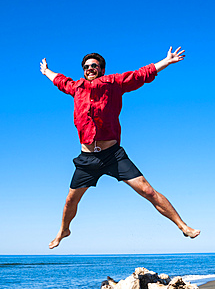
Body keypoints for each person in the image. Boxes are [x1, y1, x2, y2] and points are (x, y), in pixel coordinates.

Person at [40, 47, 200, 249]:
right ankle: (64, 230)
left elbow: (141, 75)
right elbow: (59, 80)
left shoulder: (114, 83)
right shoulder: (76, 87)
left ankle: (183, 226)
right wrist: (46, 71)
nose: (90, 69)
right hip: (87, 158)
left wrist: (166, 62)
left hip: (113, 155)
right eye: (87, 66)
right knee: (70, 200)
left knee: (148, 191)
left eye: (94, 66)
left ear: (102, 69)